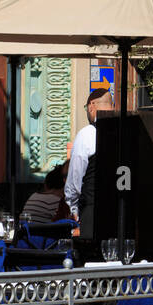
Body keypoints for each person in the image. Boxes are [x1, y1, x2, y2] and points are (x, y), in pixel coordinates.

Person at [65, 87, 111, 225]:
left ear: (91, 106)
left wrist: (73, 208)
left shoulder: (87, 134)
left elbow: (75, 178)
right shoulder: (124, 131)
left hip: (92, 211)